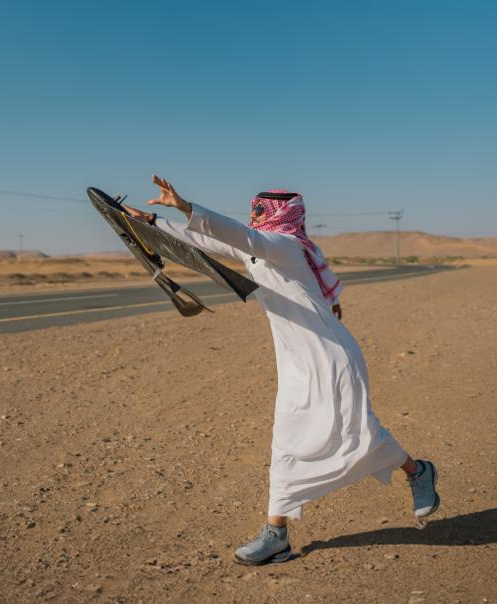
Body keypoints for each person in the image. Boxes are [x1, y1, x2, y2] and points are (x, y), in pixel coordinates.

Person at [122, 175, 440, 566]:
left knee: (356, 431)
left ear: (282, 215)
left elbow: (240, 236)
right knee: (287, 441)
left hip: (331, 358)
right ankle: (277, 536)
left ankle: (418, 472)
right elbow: (211, 242)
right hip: (295, 361)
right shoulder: (260, 251)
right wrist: (150, 224)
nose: (254, 217)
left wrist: (187, 206)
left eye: (260, 212)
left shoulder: (285, 247)